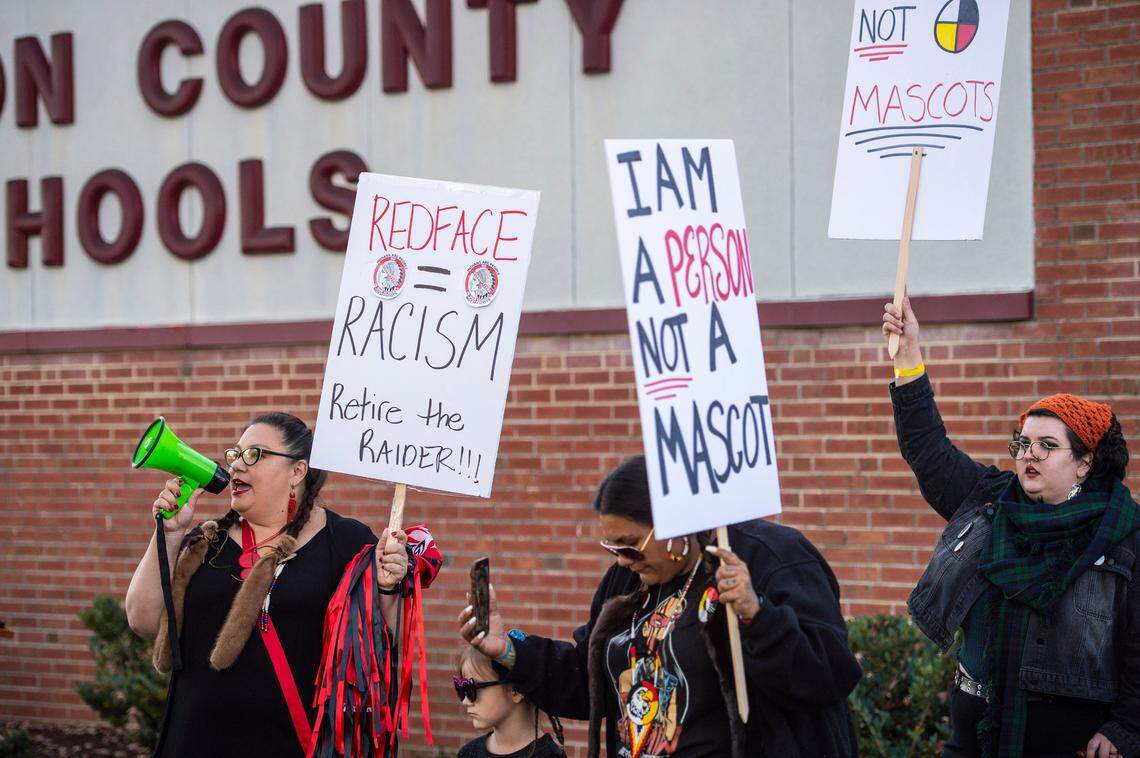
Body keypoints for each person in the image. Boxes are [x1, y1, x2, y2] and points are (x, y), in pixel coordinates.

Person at [458, 455, 861, 758]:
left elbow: (828, 675)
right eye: (612, 547)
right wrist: (509, 651)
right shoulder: (627, 581)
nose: (621, 560)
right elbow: (590, 681)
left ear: (673, 524)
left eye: (630, 545)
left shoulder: (772, 559)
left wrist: (758, 614)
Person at [883, 297, 1140, 758]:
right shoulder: (990, 498)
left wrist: (1125, 729)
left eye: (1046, 445)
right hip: (973, 734)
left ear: (1084, 463)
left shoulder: (1124, 536)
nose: (1028, 455)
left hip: (1070, 743)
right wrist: (908, 358)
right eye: (1023, 442)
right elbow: (928, 449)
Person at [124, 412, 441, 757]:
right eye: (235, 455)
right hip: (191, 742)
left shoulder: (346, 542)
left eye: (254, 455)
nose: (236, 466)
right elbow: (142, 619)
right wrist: (170, 534)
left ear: (297, 471)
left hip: (289, 743)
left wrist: (388, 586)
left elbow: (385, 640)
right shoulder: (205, 541)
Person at [455, 646, 565, 758]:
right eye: (462, 688)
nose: (465, 701)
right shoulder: (468, 753)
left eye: (472, 688)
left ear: (516, 691)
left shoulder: (549, 755)